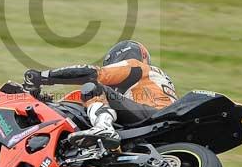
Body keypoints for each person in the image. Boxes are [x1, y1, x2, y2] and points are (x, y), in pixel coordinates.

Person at [24, 40, 176, 148]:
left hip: (151, 116)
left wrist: (43, 76)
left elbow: (90, 73)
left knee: (92, 86)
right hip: (160, 126)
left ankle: (103, 127)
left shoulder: (135, 66)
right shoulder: (150, 80)